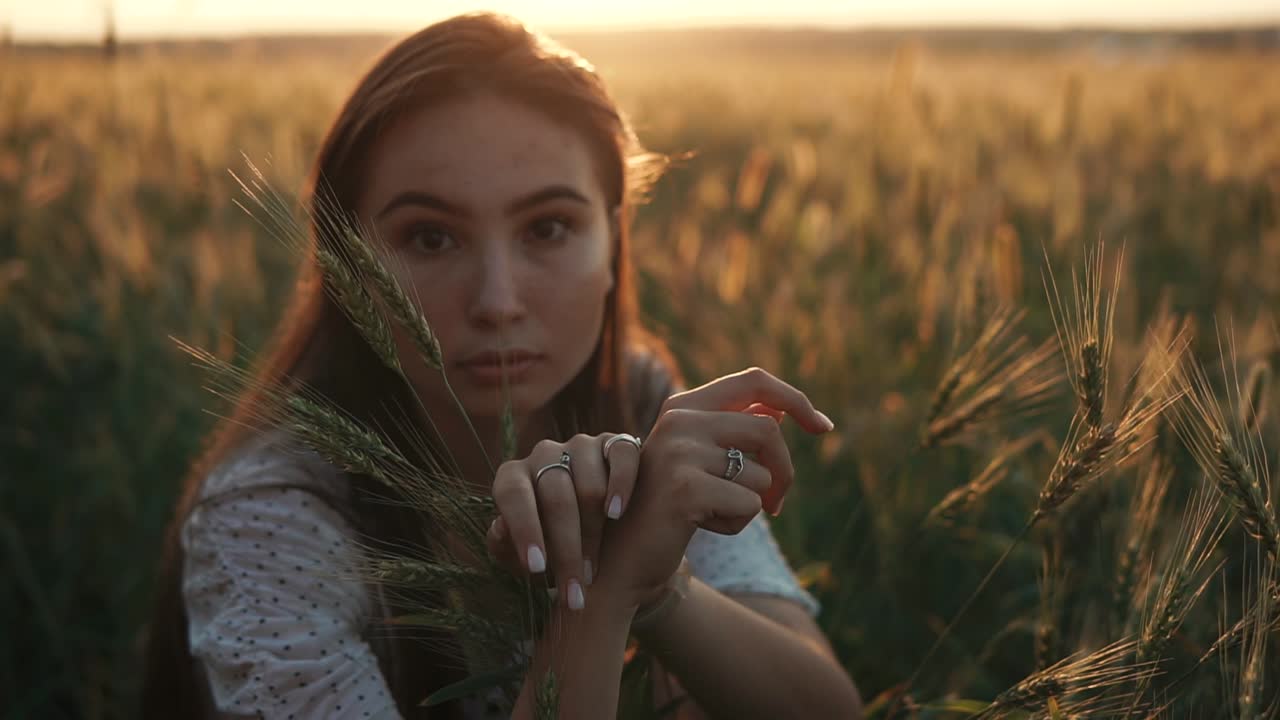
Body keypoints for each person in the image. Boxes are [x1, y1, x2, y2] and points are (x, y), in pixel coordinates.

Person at [140, 12, 863, 719]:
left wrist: (659, 587)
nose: (497, 300)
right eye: (429, 237)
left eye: (548, 228)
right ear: (348, 265)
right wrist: (600, 596)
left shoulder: (639, 399)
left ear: (613, 241)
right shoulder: (275, 515)